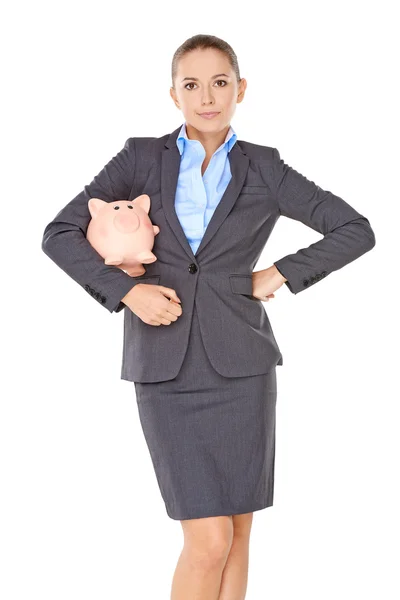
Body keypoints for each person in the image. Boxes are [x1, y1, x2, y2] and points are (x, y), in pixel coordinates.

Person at [41, 34, 376, 600]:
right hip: (165, 370)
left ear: (240, 88)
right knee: (208, 540)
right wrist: (127, 293)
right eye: (191, 84)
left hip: (242, 367)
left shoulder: (264, 167)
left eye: (220, 82)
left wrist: (281, 273)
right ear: (173, 95)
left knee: (238, 531)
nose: (207, 96)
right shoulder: (141, 157)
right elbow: (60, 234)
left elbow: (355, 229)